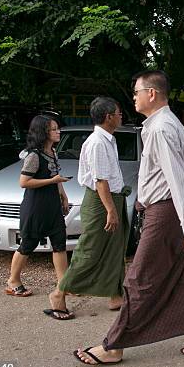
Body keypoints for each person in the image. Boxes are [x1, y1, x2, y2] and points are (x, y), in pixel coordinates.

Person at [74, 70, 184, 366]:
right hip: (164, 209)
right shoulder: (170, 123)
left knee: (137, 279)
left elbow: (178, 179)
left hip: (164, 212)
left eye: (136, 92)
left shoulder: (159, 128)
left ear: (151, 94)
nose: (133, 98)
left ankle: (114, 346)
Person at [58, 97, 128, 313]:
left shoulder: (108, 139)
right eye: (118, 113)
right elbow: (100, 181)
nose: (121, 116)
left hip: (111, 198)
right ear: (108, 117)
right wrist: (110, 210)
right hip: (100, 202)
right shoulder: (97, 142)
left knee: (116, 249)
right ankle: (59, 293)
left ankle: (116, 295)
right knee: (90, 249)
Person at [5, 115, 73, 319]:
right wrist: (51, 181)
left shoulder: (52, 152)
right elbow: (24, 182)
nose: (58, 132)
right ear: (43, 132)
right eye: (54, 129)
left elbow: (56, 177)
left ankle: (63, 285)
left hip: (52, 206)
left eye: (57, 129)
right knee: (28, 244)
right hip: (35, 207)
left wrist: (63, 195)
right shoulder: (34, 156)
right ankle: (13, 281)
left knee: (60, 244)